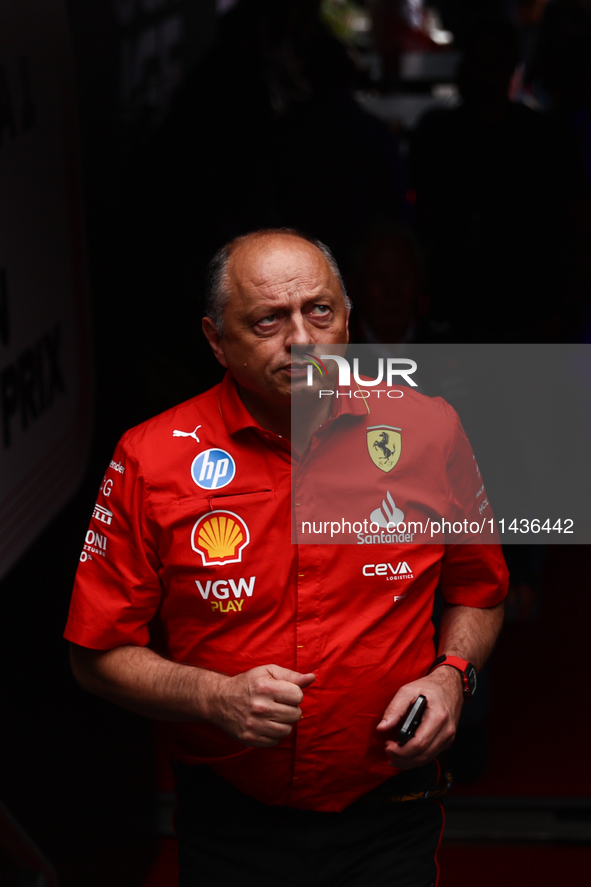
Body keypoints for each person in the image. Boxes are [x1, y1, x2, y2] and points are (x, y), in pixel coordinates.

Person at [65, 229, 508, 886]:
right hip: (231, 815)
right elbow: (94, 655)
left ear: (348, 319)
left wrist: (451, 676)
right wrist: (212, 694)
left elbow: (479, 588)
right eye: (268, 319)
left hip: (389, 805)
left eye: (318, 311)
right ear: (216, 339)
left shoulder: (427, 427)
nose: (300, 339)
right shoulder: (151, 458)